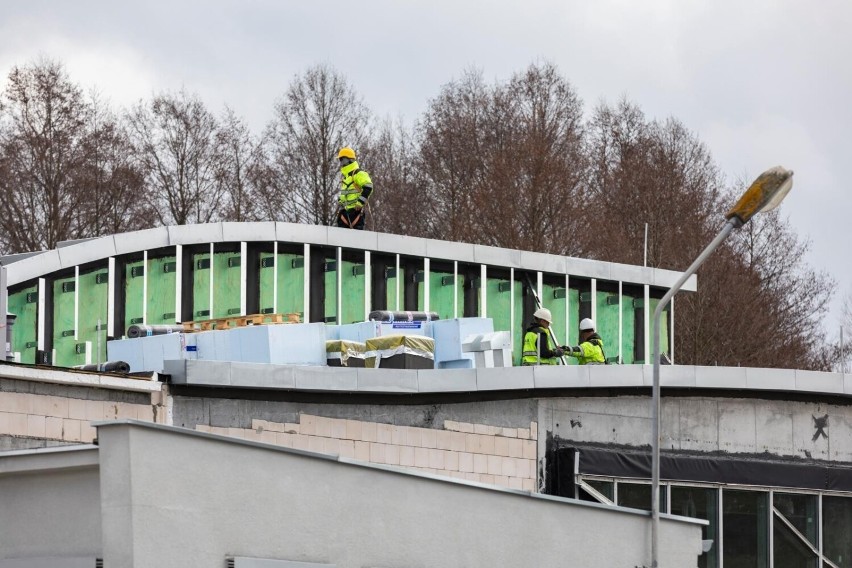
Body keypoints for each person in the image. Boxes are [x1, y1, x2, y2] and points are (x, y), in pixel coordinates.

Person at [336, 146, 374, 230]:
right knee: (341, 239)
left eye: (342, 160)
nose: (341, 163)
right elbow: (348, 194)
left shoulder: (359, 174)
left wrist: (360, 202)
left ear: (349, 160)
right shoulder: (346, 177)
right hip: (345, 212)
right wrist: (341, 200)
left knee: (356, 239)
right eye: (340, 160)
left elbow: (368, 187)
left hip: (356, 212)